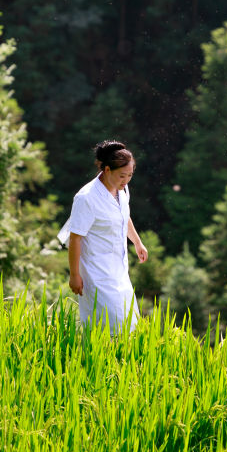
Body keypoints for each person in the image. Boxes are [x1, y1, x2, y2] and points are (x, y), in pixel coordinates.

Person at [58, 140, 149, 333]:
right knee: (107, 329)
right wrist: (74, 275)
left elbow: (123, 215)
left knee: (130, 325)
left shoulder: (121, 189)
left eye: (130, 175)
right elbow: (75, 238)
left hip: (119, 269)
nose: (126, 180)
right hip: (96, 272)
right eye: (122, 175)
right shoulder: (86, 198)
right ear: (107, 170)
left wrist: (137, 242)